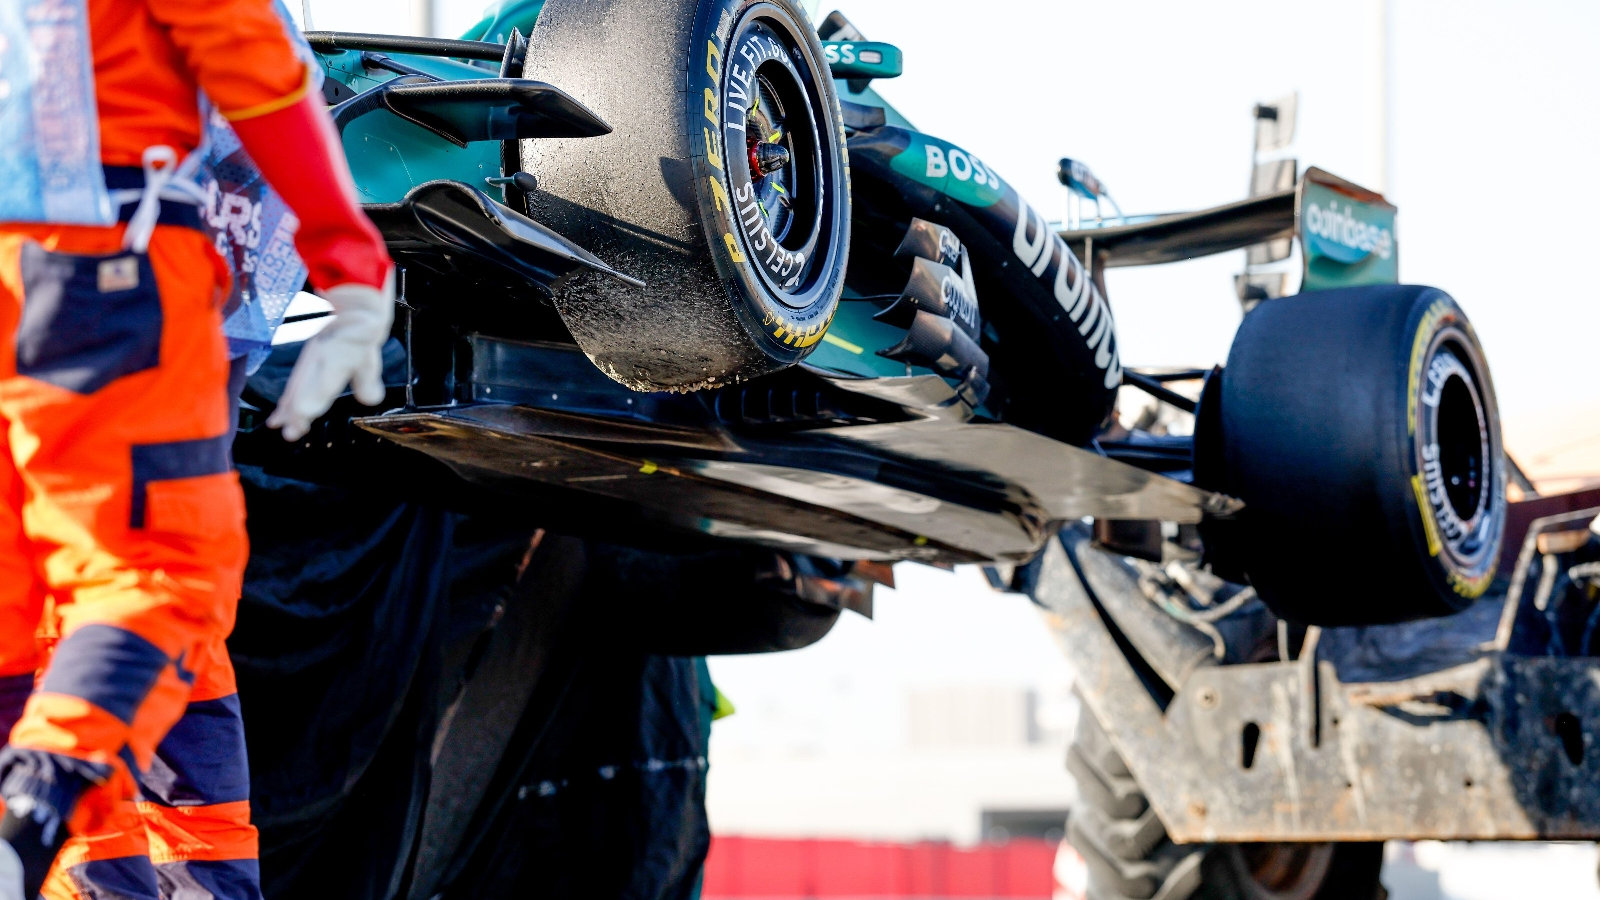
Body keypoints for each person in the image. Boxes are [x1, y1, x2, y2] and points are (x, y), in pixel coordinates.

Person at [0, 0, 393, 896]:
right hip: (97, 266)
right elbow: (252, 58)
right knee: (159, 577)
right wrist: (352, 264)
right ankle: (30, 826)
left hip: (88, 279)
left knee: (35, 610)